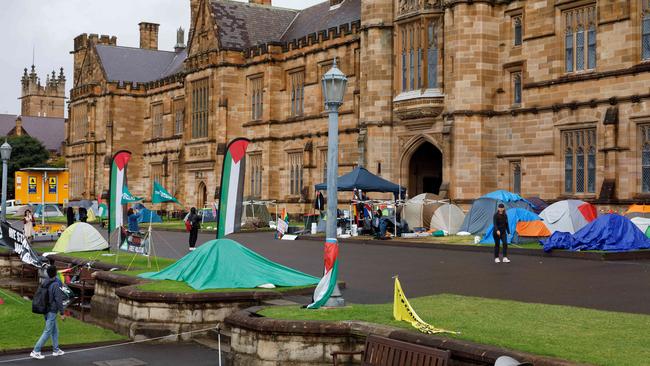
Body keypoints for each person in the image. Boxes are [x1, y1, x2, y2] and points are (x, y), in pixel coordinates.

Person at [31, 266, 66, 360]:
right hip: (52, 310)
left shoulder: (44, 282)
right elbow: (58, 300)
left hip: (45, 309)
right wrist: (62, 313)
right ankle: (36, 351)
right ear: (55, 273)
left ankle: (56, 350)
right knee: (47, 331)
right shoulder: (55, 284)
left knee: (55, 331)